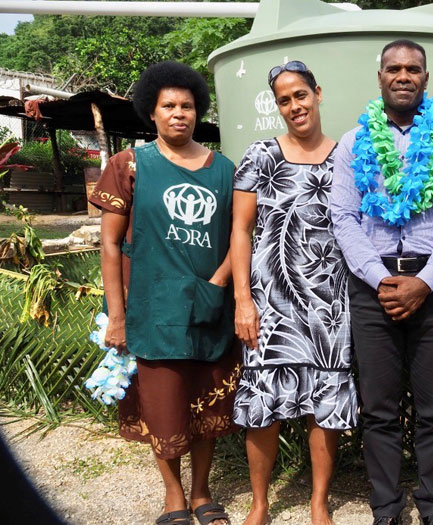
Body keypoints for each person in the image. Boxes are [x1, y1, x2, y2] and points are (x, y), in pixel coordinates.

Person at [331, 40, 433, 525]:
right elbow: (343, 219)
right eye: (393, 68)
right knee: (379, 409)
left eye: (413, 69)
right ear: (380, 79)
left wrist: (425, 282)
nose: (403, 76)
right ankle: (387, 510)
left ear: (426, 79)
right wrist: (380, 279)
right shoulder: (353, 144)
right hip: (372, 290)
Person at [89, 61, 240, 525]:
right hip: (153, 308)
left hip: (211, 304)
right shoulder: (129, 165)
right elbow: (110, 243)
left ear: (199, 111)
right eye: (169, 106)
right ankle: (173, 495)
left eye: (188, 106)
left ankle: (201, 492)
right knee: (164, 403)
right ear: (150, 113)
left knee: (207, 398)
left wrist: (218, 283)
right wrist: (117, 314)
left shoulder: (224, 169)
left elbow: (240, 236)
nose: (180, 114)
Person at [231, 60, 358, 525]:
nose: (294, 106)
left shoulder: (347, 154)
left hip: (329, 301)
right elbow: (241, 231)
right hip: (271, 300)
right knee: (264, 402)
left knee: (326, 402)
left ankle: (319, 502)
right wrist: (243, 300)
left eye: (300, 95)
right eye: (284, 99)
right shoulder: (261, 155)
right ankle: (260, 503)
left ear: (317, 93)